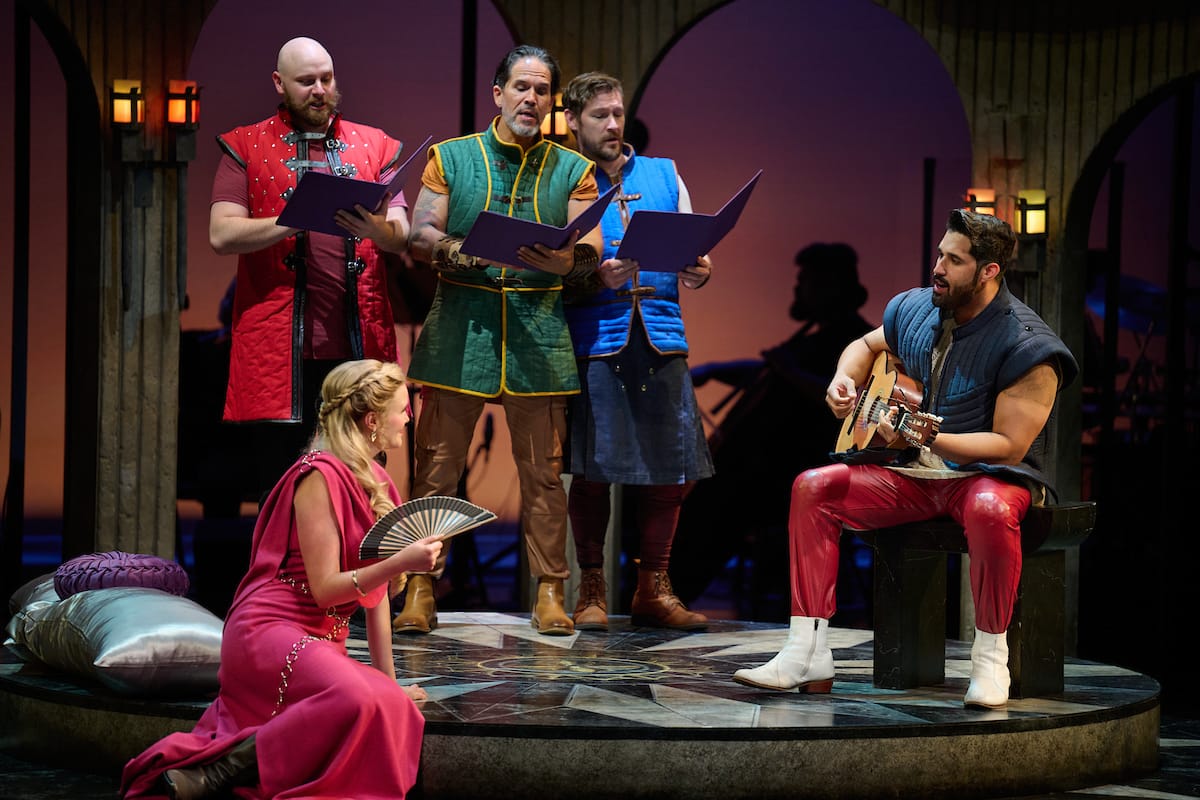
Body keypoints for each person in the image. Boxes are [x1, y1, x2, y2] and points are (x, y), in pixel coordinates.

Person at [732, 210, 1078, 709]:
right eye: (940, 253)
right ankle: (805, 649)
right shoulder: (917, 309)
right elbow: (863, 344)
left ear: (989, 271)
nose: (937, 267)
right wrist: (841, 381)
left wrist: (929, 439)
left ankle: (990, 660)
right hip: (913, 475)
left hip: (987, 477)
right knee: (814, 487)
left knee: (989, 509)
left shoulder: (1029, 345)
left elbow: (1008, 446)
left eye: (954, 260)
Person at [121, 360, 442, 799]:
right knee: (361, 701)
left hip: (320, 637)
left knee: (386, 701)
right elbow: (328, 586)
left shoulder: (379, 482)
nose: (408, 416)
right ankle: (216, 773)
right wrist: (401, 561)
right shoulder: (318, 477)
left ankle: (223, 771)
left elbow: (377, 597)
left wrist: (389, 679)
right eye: (403, 408)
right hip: (271, 629)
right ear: (371, 420)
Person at [395, 45, 603, 637]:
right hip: (460, 324)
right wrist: (460, 250)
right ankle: (419, 587)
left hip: (538, 331)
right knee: (436, 469)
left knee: (544, 473)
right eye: (521, 87)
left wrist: (566, 262)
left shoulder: (573, 169)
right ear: (498, 92)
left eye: (541, 91)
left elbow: (592, 249)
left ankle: (550, 590)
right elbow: (420, 232)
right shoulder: (450, 157)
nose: (531, 99)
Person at [210, 36, 411, 498]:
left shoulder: (374, 145)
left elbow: (399, 233)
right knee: (282, 487)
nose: (320, 89)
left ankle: (355, 572)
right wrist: (291, 220)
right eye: (306, 82)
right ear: (280, 83)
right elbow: (221, 234)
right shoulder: (245, 145)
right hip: (280, 352)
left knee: (361, 485)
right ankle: (284, 574)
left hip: (357, 343)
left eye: (327, 78)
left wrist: (374, 227)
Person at [558, 71, 713, 631]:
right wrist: (596, 277)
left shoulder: (664, 173)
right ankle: (592, 586)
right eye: (600, 115)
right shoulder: (562, 178)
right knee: (594, 469)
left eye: (618, 113)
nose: (614, 124)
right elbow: (551, 269)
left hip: (661, 334)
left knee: (671, 468)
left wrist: (699, 268)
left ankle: (654, 587)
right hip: (598, 341)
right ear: (574, 120)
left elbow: (692, 253)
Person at [670, 244, 874, 614]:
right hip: (773, 471)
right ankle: (668, 587)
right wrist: (716, 370)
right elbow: (768, 375)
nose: (797, 291)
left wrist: (788, 372)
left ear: (831, 286)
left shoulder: (855, 341)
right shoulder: (818, 336)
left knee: (719, 504)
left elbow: (847, 399)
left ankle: (673, 588)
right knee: (714, 498)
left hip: (800, 470)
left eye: (805, 282)